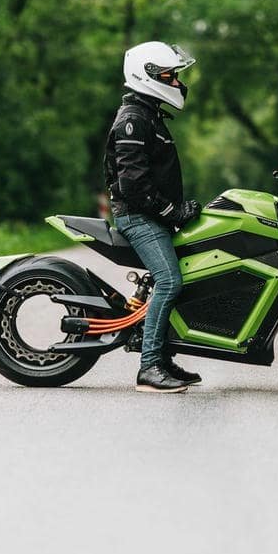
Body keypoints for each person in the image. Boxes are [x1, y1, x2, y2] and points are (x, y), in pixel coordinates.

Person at [104, 41, 202, 394]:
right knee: (170, 280)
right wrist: (172, 211)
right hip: (137, 216)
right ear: (146, 76)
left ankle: (165, 357)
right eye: (169, 76)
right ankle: (149, 367)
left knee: (187, 275)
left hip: (149, 214)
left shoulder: (147, 113)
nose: (176, 83)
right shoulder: (133, 120)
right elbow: (133, 186)